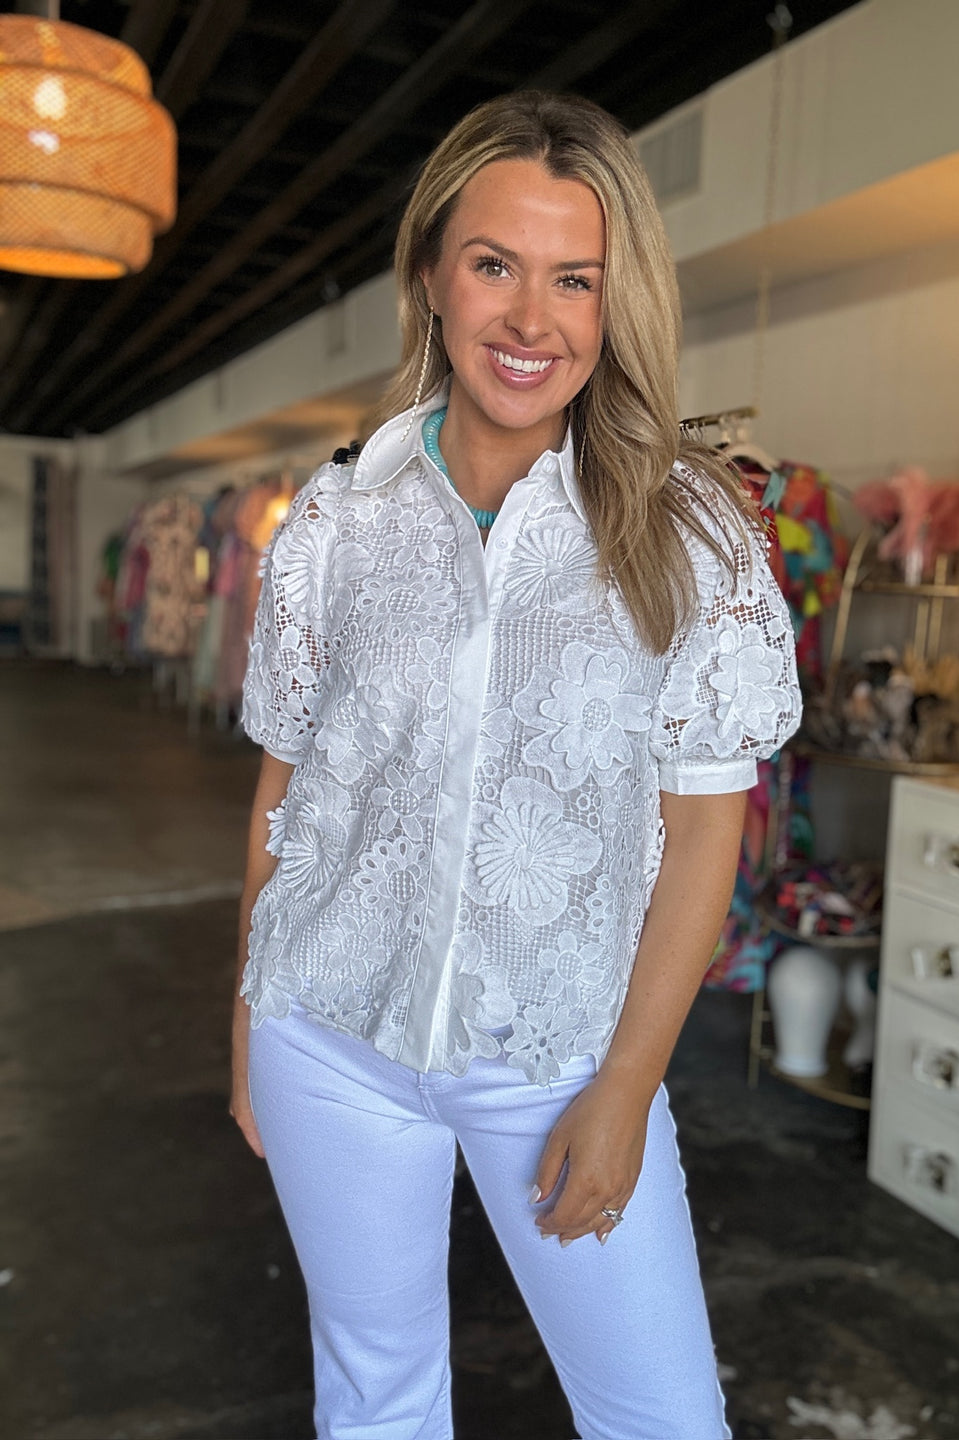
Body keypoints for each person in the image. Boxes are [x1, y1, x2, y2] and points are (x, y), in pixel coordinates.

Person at [230, 90, 801, 1440]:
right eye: (494, 265)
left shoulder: (687, 534)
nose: (530, 320)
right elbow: (286, 791)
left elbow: (708, 832)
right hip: (329, 1033)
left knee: (660, 1418)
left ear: (617, 305)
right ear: (432, 274)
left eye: (574, 280)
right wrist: (250, 1015)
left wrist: (623, 1091)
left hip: (558, 1051)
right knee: (375, 1401)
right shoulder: (338, 516)